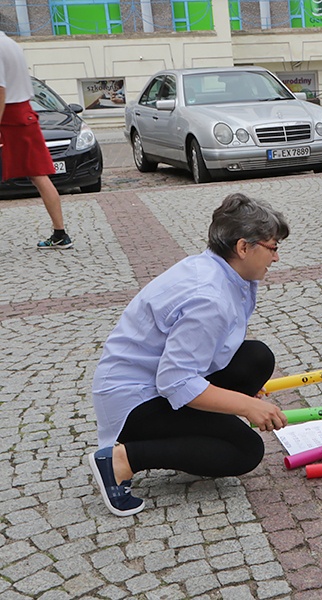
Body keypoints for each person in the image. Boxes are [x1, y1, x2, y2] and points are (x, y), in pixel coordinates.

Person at [88, 193, 290, 517]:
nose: (276, 258)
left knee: (256, 358)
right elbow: (175, 381)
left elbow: (201, 355)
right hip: (134, 403)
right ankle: (121, 461)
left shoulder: (220, 270)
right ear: (243, 247)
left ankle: (197, 431)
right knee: (245, 450)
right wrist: (247, 405)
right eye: (273, 248)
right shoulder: (209, 297)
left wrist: (237, 397)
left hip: (153, 382)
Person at [0, 31, 72, 249]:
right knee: (39, 176)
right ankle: (60, 234)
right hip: (24, 114)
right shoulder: (10, 43)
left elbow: (0, 91)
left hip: (8, 118)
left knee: (39, 176)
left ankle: (60, 235)